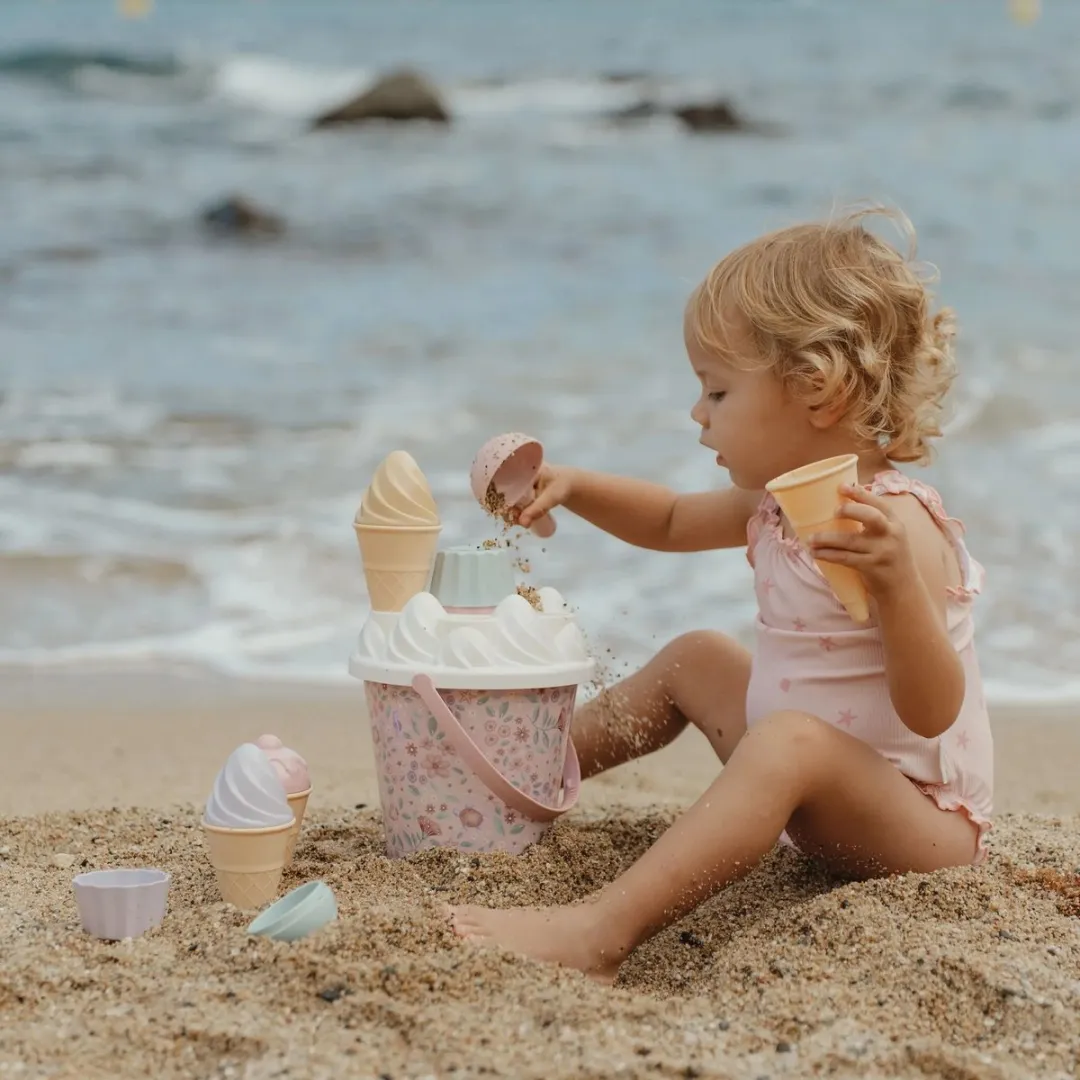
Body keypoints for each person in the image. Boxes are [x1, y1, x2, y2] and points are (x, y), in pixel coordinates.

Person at [449, 206, 994, 983]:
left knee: (788, 741)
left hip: (917, 824)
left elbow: (933, 710)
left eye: (717, 393)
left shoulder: (893, 526)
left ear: (818, 389)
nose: (698, 415)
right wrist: (574, 487)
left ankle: (600, 934)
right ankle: (520, 786)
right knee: (698, 658)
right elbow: (669, 519)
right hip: (811, 782)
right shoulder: (779, 502)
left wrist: (900, 589)